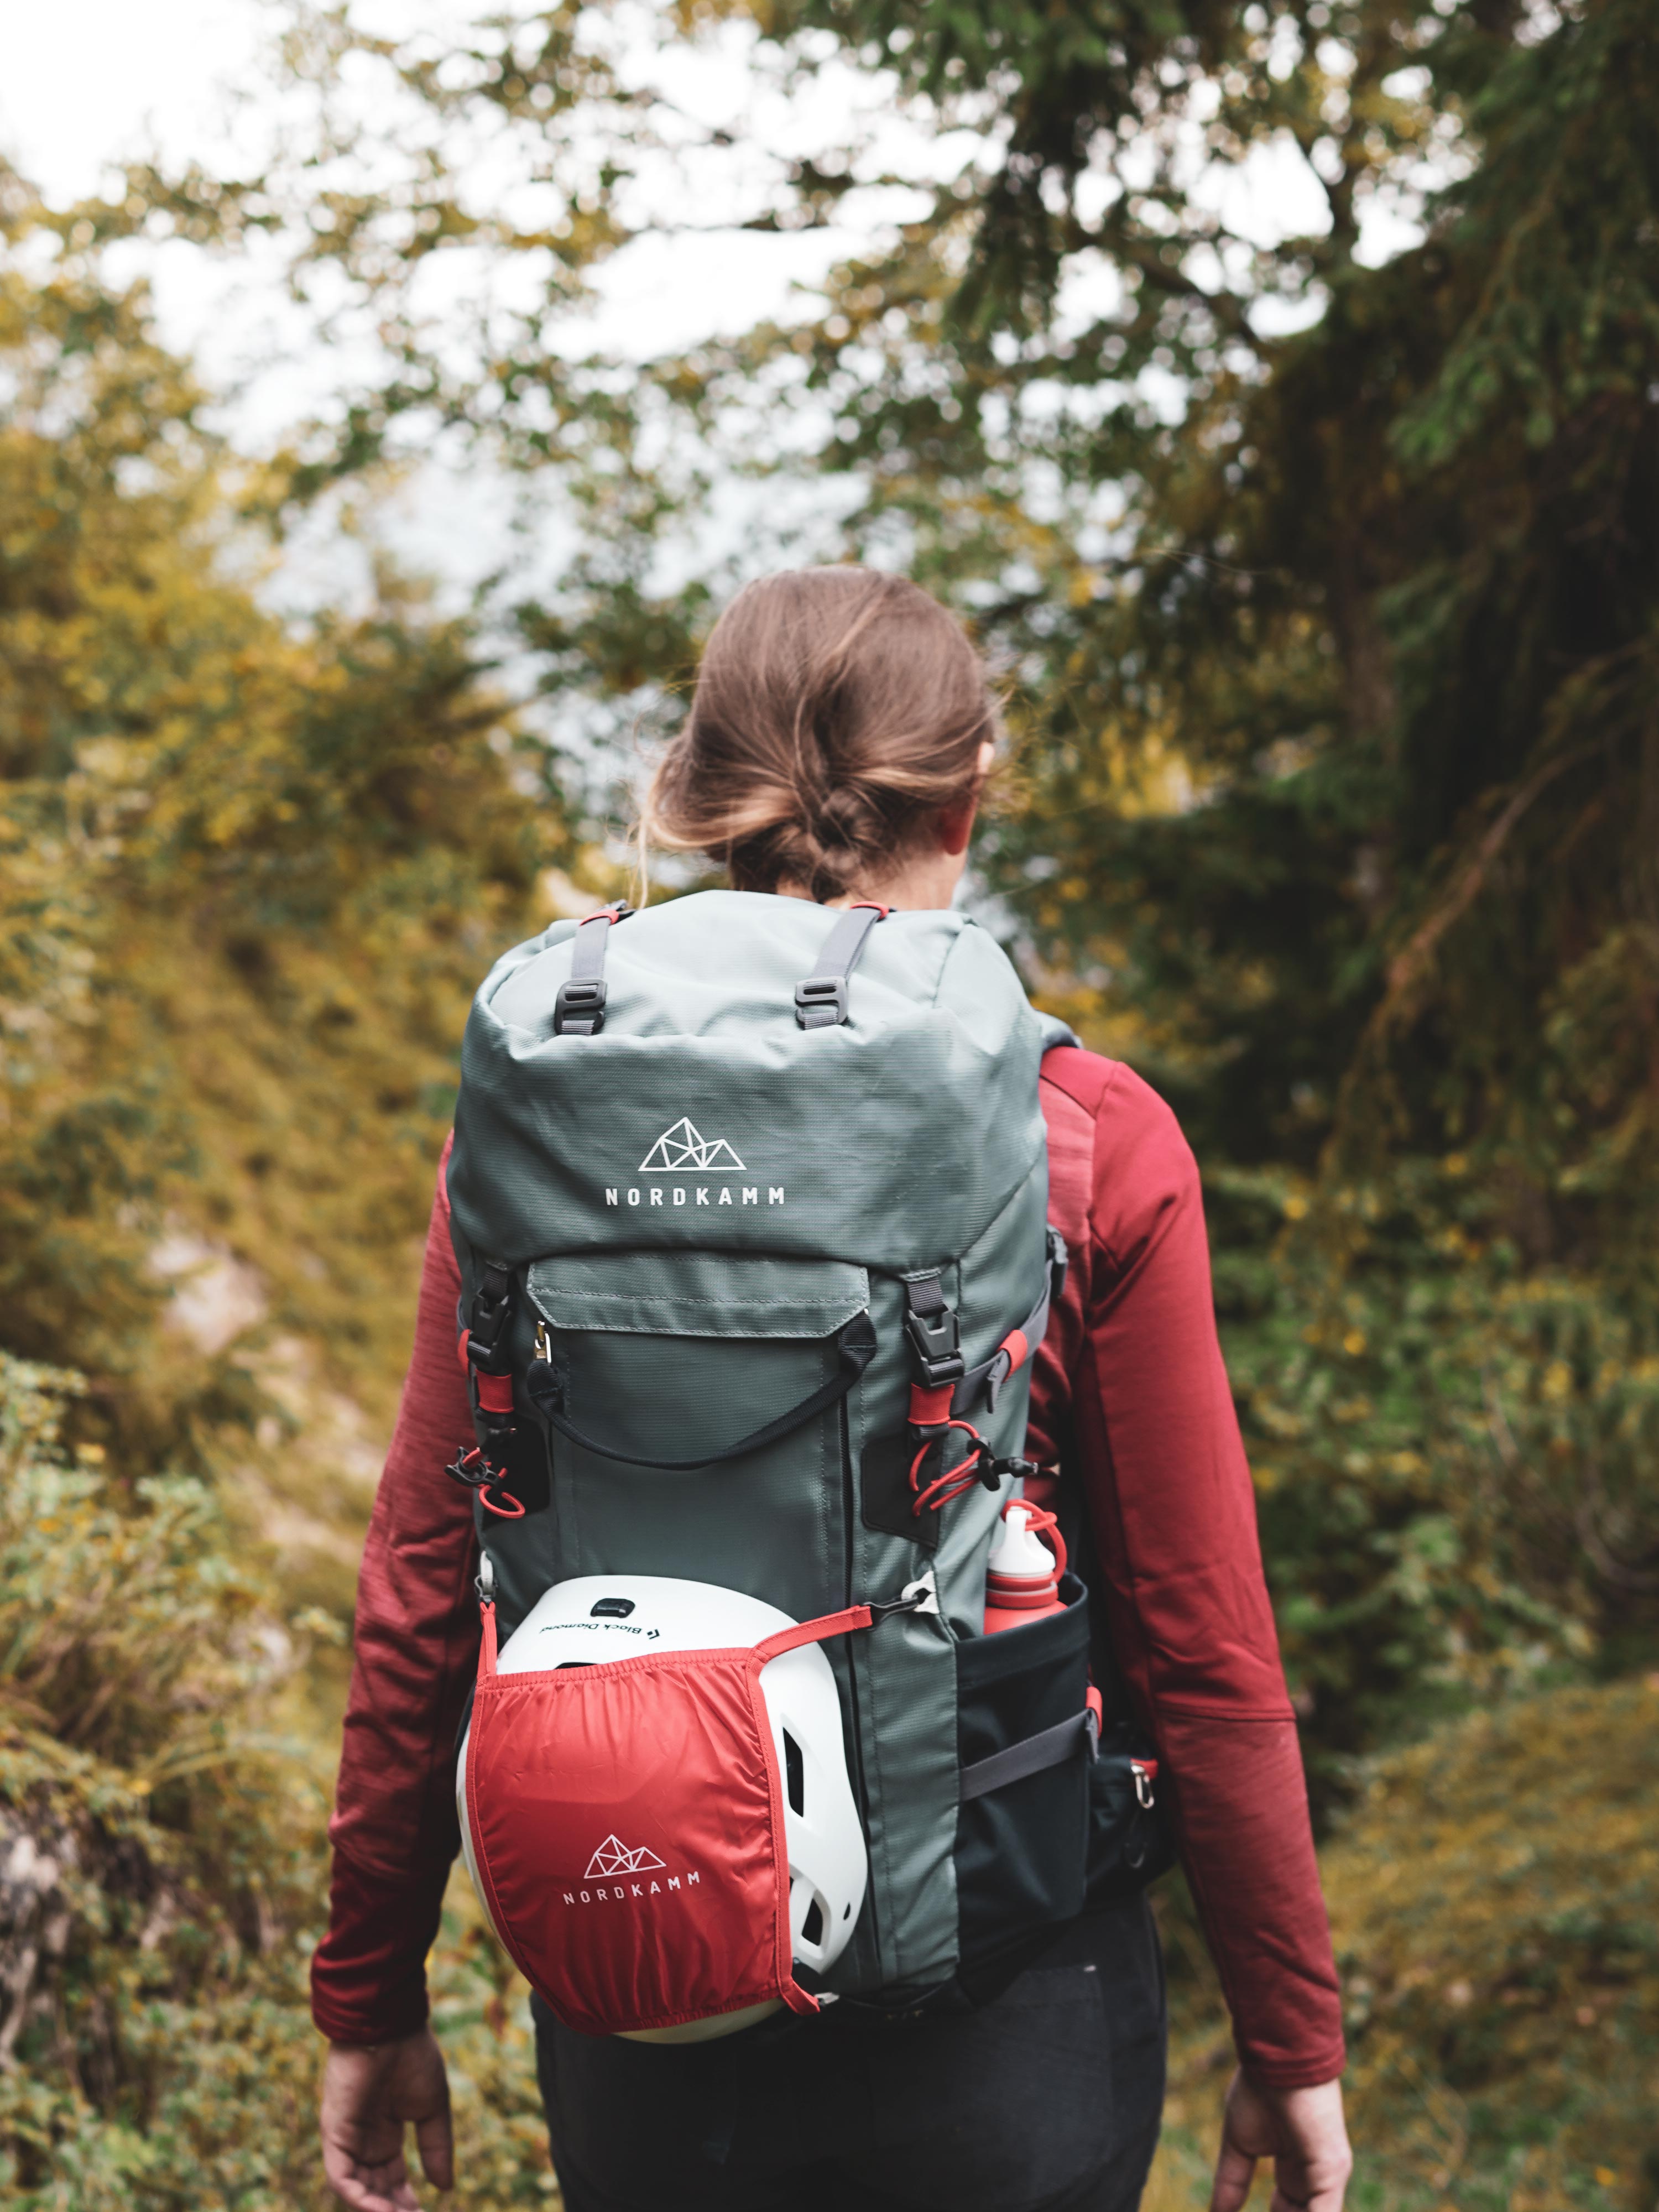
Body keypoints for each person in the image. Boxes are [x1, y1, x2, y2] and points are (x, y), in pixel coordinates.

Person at [312, 568, 1353, 2212]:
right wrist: (1291, 2042)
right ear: (966, 788)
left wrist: (368, 1989)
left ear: (699, 790)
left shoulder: (532, 1132)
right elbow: (1202, 1644)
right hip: (1007, 2035)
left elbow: (424, 1588)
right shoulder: (1080, 1134)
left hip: (639, 1990)